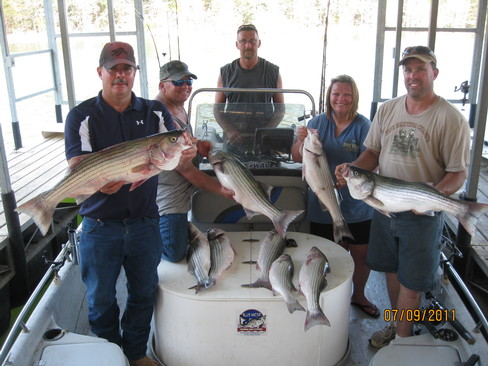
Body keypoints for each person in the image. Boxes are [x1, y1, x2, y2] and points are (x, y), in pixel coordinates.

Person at [64, 42, 195, 366]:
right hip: (98, 227)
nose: (120, 74)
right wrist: (98, 183)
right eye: (114, 68)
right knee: (101, 299)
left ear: (135, 73)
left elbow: (174, 150)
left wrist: (186, 151)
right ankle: (109, 354)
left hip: (145, 223)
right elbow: (78, 164)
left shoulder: (154, 112)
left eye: (127, 68)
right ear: (101, 73)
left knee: (143, 292)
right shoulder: (81, 115)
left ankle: (135, 353)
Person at [335, 46, 470, 348]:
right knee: (392, 272)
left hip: (421, 214)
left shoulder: (451, 119)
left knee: (411, 281)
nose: (413, 76)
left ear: (435, 72)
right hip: (384, 208)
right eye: (408, 70)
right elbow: (372, 154)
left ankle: (404, 340)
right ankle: (397, 329)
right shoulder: (387, 109)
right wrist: (352, 170)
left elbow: (458, 173)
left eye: (421, 69)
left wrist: (434, 197)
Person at [291, 75, 378, 318]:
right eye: (336, 94)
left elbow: (373, 161)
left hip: (358, 205)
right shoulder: (317, 122)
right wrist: (300, 140)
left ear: (354, 97)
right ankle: (329, 298)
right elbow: (298, 158)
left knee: (362, 255)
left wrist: (349, 173)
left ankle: (358, 295)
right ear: (329, 97)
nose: (340, 99)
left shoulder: (364, 126)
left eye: (346, 94)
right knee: (329, 255)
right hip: (323, 204)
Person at [155, 60, 234, 262]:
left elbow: (182, 146)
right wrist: (221, 190)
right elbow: (187, 170)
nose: (186, 86)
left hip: (182, 195)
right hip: (169, 200)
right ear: (162, 86)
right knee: (174, 254)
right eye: (178, 81)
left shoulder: (178, 108)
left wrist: (198, 147)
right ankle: (146, 252)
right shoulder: (163, 117)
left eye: (189, 80)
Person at [214, 24, 285, 152]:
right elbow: (217, 109)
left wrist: (265, 133)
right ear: (237, 44)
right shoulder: (225, 72)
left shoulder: (273, 72)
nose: (248, 45)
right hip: (233, 140)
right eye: (243, 41)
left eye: (252, 41)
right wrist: (230, 130)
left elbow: (280, 109)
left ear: (259, 43)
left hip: (263, 141)